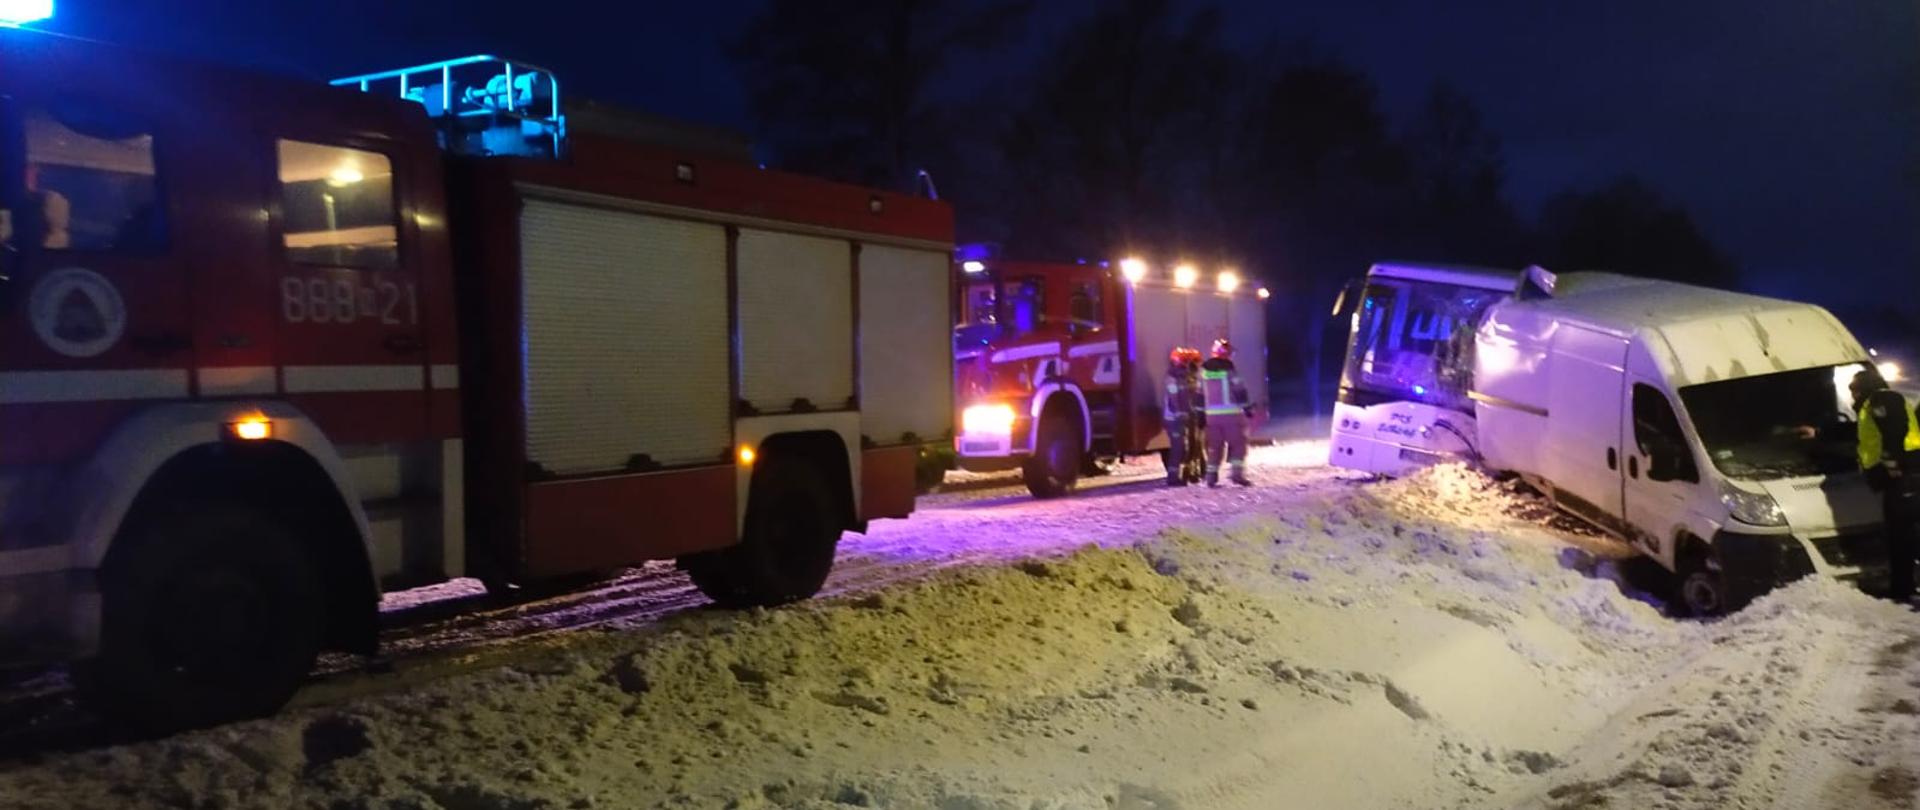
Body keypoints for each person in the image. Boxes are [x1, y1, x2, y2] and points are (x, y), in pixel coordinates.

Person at [1853, 369, 1920, 605]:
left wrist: (1892, 463)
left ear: (1866, 386)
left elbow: (1895, 430)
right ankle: (1903, 588)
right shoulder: (1871, 406)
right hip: (1904, 475)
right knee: (1901, 535)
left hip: (1906, 475)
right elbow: (1864, 435)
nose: (1852, 394)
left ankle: (1902, 590)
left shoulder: (1882, 399)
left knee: (1902, 535)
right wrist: (1819, 431)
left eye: (1854, 388)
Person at [1200, 338, 1253, 487]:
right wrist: (1247, 408)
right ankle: (1236, 475)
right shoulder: (1230, 370)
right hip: (1231, 416)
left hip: (1211, 418)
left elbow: (1198, 394)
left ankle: (1211, 477)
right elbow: (1239, 391)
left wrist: (1199, 415)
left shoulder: (1203, 371)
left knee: (1214, 447)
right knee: (1238, 445)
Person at [1161, 348, 1204, 486]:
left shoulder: (1185, 378)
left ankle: (1187, 474)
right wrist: (1181, 413)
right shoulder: (1172, 378)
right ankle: (1173, 477)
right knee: (1179, 447)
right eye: (1186, 361)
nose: (1187, 364)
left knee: (1188, 447)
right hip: (1173, 418)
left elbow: (1192, 398)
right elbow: (1174, 398)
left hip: (1183, 417)